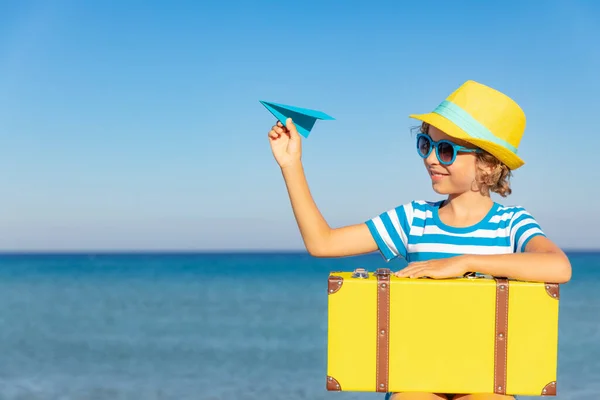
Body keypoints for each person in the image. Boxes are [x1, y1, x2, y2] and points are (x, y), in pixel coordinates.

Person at [266, 80, 572, 400]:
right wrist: (291, 165)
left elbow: (558, 267)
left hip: (486, 377)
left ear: (489, 164)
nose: (430, 159)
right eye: (425, 144)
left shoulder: (511, 224)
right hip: (415, 377)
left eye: (445, 150)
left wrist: (462, 264)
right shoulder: (413, 219)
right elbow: (323, 243)